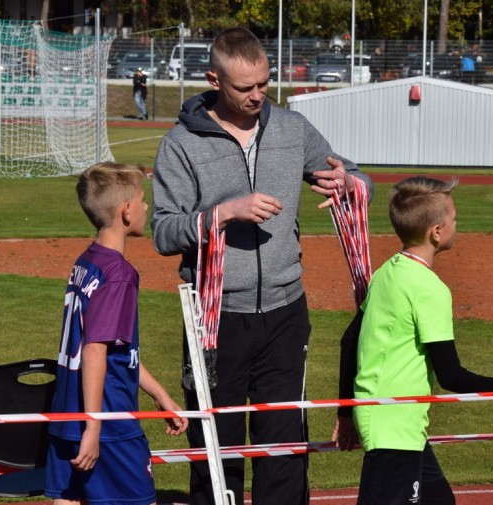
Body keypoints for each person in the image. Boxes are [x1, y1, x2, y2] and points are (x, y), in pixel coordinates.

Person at [151, 26, 373, 505]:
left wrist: (348, 181)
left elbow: (355, 176)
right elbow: (164, 232)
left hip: (285, 312)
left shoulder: (292, 130)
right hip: (214, 320)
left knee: (284, 446)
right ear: (214, 79)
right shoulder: (180, 144)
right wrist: (223, 213)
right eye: (244, 87)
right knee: (215, 444)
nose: (257, 96)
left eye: (264, 84)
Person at [352, 176, 493, 505]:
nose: (456, 224)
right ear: (436, 231)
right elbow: (450, 375)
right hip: (394, 425)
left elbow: (350, 341)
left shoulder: (386, 272)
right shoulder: (430, 289)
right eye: (454, 219)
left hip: (395, 421)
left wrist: (347, 413)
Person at [45, 162, 188, 505]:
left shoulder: (87, 261)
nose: (146, 207)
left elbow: (117, 351)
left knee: (68, 500)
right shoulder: (119, 274)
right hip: (108, 421)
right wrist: (94, 428)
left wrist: (160, 394)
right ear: (126, 211)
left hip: (68, 414)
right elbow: (95, 350)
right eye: (142, 200)